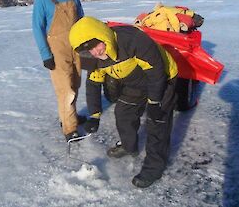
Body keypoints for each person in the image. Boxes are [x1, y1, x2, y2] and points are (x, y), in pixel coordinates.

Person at [69, 16, 178, 188]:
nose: (95, 52)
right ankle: (129, 146)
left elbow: (156, 72)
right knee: (123, 113)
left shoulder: (133, 41)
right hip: (134, 81)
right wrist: (94, 115)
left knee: (157, 122)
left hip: (162, 79)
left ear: (103, 35)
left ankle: (154, 167)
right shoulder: (94, 59)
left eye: (96, 45)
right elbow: (93, 83)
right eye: (88, 50)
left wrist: (155, 102)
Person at [32, 0, 84, 142]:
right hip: (57, 49)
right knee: (65, 89)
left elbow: (81, 20)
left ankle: (70, 117)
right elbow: (37, 28)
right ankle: (70, 129)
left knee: (76, 83)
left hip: (75, 46)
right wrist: (46, 55)